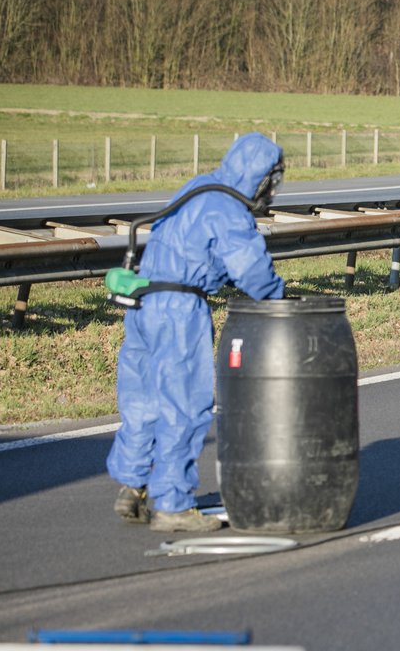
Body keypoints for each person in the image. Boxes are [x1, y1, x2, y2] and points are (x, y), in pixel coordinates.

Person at [107, 132, 286, 533]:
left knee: (143, 399)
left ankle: (132, 484)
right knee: (184, 403)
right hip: (179, 308)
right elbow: (251, 271)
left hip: (142, 300)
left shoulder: (199, 187)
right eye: (272, 184)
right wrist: (279, 298)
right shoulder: (229, 210)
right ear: (261, 178)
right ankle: (172, 503)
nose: (272, 194)